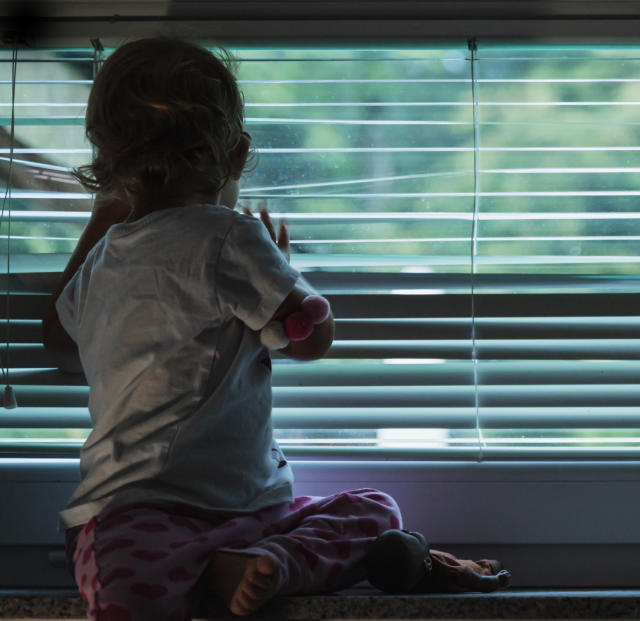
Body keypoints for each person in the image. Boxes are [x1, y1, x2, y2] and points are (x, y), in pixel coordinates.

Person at [39, 37, 405, 620]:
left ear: (109, 167)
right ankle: (264, 564)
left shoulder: (104, 256)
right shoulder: (232, 236)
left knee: (120, 579)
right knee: (377, 513)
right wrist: (292, 285)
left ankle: (217, 569)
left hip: (134, 514)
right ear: (235, 156)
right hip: (251, 512)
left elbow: (59, 344)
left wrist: (101, 220)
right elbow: (314, 341)